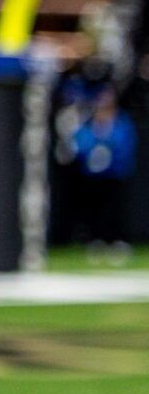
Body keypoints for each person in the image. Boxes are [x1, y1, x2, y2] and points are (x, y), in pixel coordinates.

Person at [71, 85, 137, 263]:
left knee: (115, 208)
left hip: (114, 173)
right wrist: (92, 153)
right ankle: (96, 240)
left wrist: (109, 154)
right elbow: (80, 141)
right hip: (93, 175)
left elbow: (125, 143)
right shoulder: (90, 123)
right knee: (95, 208)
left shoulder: (121, 122)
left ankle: (116, 240)